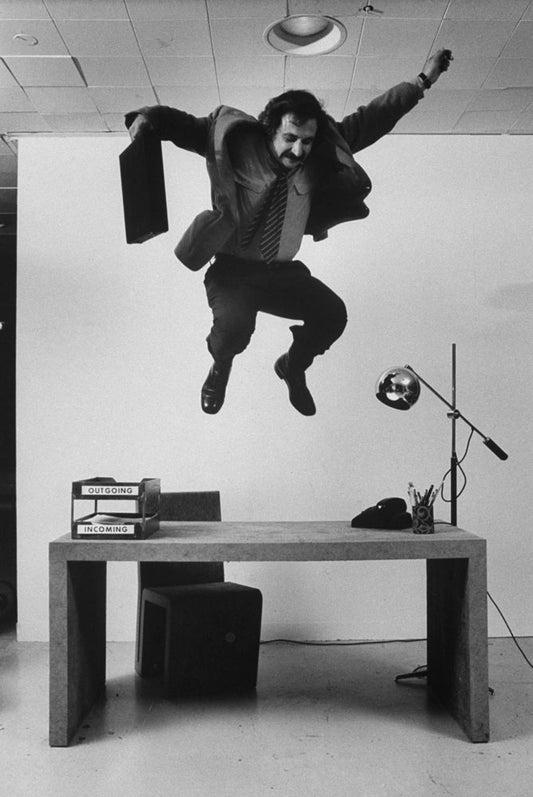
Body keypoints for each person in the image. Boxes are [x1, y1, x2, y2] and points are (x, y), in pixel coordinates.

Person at [126, 49, 453, 416]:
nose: (298, 149)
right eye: (290, 138)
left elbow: (372, 118)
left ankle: (292, 367)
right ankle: (221, 365)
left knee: (333, 314)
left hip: (281, 273)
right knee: (234, 328)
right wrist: (146, 120)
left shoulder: (316, 156)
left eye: (307, 141)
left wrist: (421, 82)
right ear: (270, 130)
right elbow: (180, 124)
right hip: (233, 271)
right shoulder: (233, 141)